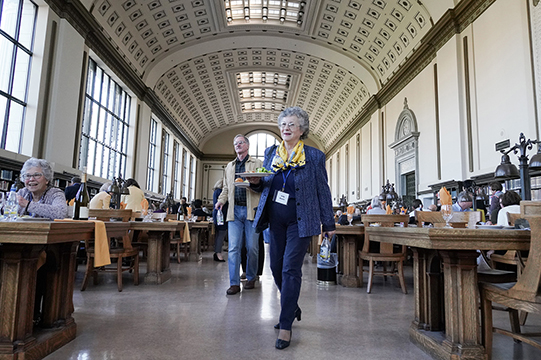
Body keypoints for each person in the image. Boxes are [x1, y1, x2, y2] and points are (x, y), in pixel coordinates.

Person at [249, 107, 335, 350]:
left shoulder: (314, 156)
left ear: (302, 130)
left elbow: (323, 191)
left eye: (292, 124)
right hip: (275, 220)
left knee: (290, 269)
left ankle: (285, 324)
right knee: (275, 267)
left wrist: (329, 224)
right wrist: (255, 183)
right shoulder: (270, 153)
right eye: (283, 124)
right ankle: (292, 304)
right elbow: (265, 183)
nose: (286, 128)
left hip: (302, 220)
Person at [215, 134, 262, 295]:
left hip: (251, 211)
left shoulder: (257, 163)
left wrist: (256, 182)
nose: (238, 145)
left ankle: (251, 277)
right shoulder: (229, 166)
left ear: (247, 146)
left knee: (252, 247)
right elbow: (226, 188)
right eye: (235, 143)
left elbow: (264, 184)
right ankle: (234, 283)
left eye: (241, 142)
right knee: (233, 248)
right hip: (234, 212)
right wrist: (220, 201)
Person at [212, 179, 228, 262]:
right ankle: (218, 253)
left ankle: (217, 252)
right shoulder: (221, 192)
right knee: (221, 235)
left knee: (219, 235)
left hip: (217, 216)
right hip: (222, 216)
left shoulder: (216, 191)